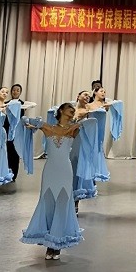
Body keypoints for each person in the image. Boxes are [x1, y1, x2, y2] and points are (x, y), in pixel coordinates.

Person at [21, 103, 84, 260]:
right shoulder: (47, 127)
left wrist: (79, 122)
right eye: (70, 108)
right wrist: (32, 125)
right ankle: (49, 243)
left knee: (62, 204)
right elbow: (25, 120)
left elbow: (92, 123)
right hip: (50, 171)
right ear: (61, 110)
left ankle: (56, 244)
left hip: (65, 171)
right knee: (48, 204)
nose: (73, 110)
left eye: (74, 109)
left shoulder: (75, 129)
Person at [4, 83, 36, 181]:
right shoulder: (6, 103)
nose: (15, 92)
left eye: (18, 90)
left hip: (18, 131)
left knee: (15, 151)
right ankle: (6, 172)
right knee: (7, 151)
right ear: (11, 92)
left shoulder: (22, 104)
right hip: (7, 129)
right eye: (14, 90)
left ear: (20, 92)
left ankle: (14, 174)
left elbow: (33, 105)